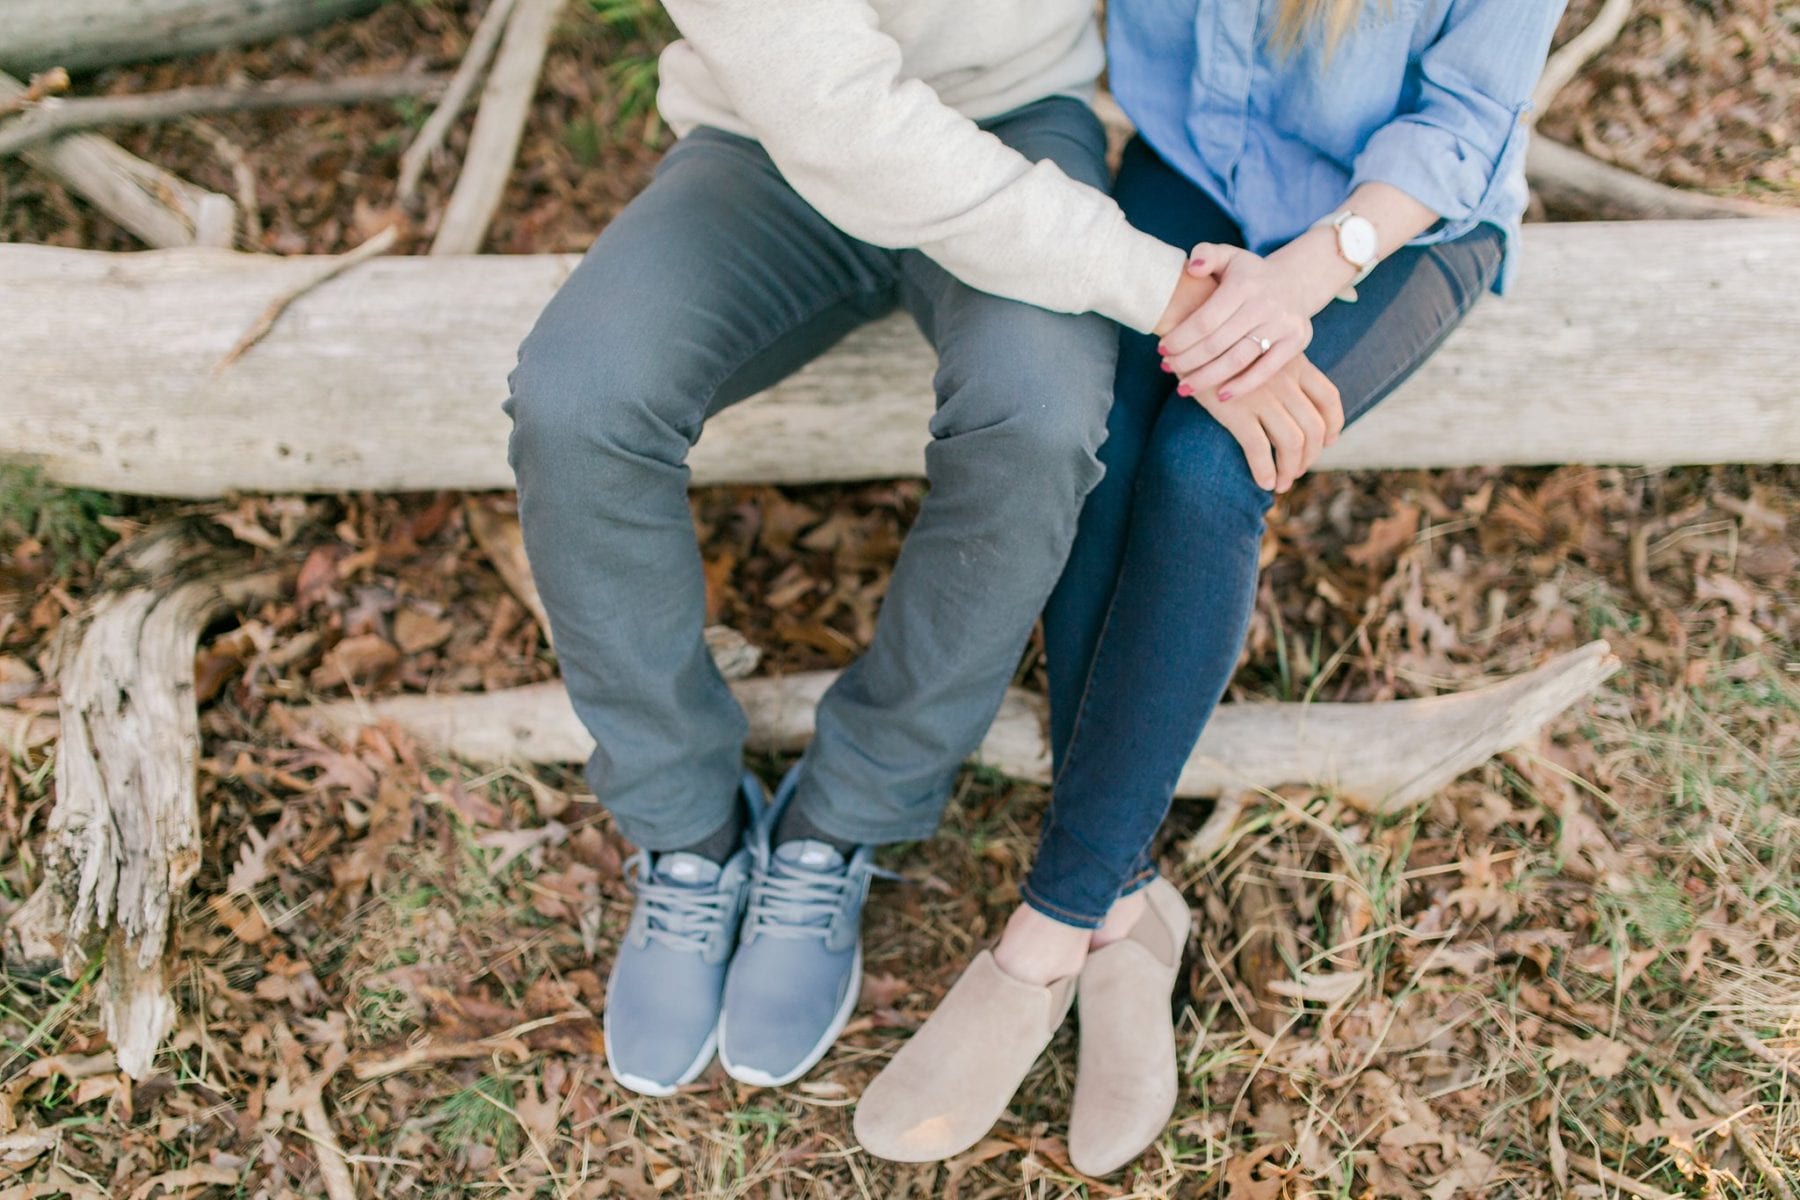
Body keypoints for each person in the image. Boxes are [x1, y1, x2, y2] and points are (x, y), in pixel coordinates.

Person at [502, 0, 1336, 1098]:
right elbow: (837, 115)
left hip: (1018, 123)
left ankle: (847, 815)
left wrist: (1352, 231)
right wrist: (1170, 293)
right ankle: (684, 829)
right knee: (577, 406)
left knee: (1037, 424)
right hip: (767, 138)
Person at [854, 0, 1566, 1174]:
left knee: (1207, 464)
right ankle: (1130, 909)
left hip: (1392, 225)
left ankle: (1048, 935)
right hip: (1189, 168)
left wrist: (1299, 279)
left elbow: (1468, 122)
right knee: (1102, 442)